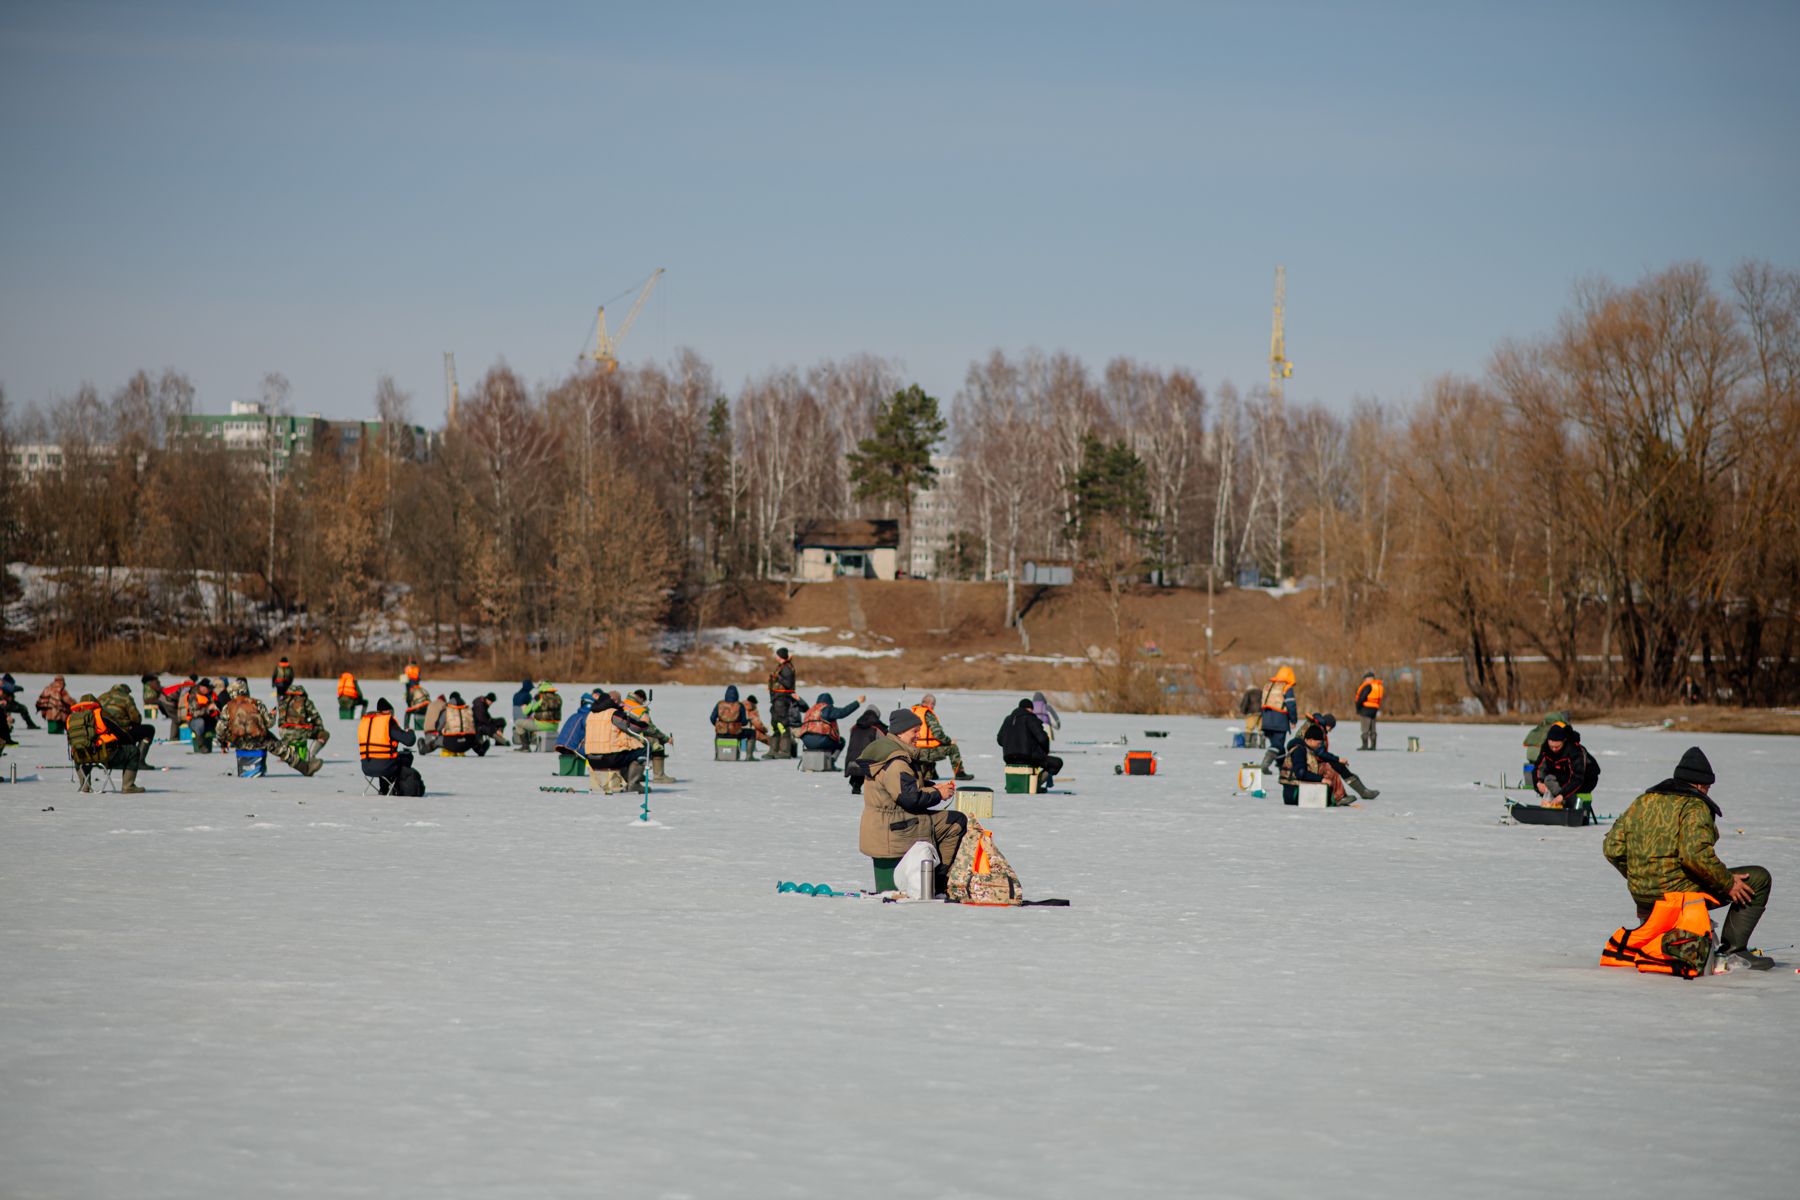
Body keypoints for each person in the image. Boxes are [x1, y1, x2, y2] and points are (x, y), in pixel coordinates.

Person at [1603, 747, 1773, 971]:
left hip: (1642, 895)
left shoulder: (1642, 801)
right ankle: (1734, 952)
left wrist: (1641, 875)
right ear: (1702, 785)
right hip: (1676, 895)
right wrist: (1728, 882)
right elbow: (1694, 855)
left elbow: (1612, 848)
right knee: (1759, 878)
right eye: (1708, 788)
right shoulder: (1694, 805)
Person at [858, 707, 966, 889]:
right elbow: (910, 799)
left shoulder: (886, 752)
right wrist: (939, 794)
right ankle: (939, 883)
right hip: (898, 827)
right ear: (900, 732)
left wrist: (933, 787)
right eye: (914, 731)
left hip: (885, 825)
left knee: (950, 820)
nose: (918, 735)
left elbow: (906, 785)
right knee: (956, 822)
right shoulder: (897, 762)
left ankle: (933, 875)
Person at [219, 679, 322, 776]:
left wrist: (224, 741)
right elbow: (268, 724)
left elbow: (220, 729)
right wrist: (272, 715)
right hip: (259, 742)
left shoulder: (227, 707)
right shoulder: (256, 703)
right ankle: (306, 768)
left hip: (239, 743)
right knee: (282, 749)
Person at [66, 692, 152, 793]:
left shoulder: (72, 719)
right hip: (105, 756)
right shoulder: (100, 715)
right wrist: (128, 742)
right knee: (133, 751)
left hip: (81, 758)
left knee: (79, 751)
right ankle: (128, 786)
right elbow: (120, 734)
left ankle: (84, 786)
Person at [1301, 713, 1379, 799]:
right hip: (1308, 760)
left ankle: (1362, 791)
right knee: (1337, 766)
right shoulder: (1319, 730)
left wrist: (1336, 759)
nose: (1330, 731)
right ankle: (1350, 794)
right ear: (1328, 725)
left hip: (1310, 757)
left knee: (1339, 765)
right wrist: (1338, 759)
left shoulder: (1314, 725)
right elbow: (1320, 753)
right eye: (1331, 728)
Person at [584, 692, 649, 790]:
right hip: (609, 758)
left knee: (625, 753)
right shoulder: (613, 713)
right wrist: (644, 722)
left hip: (591, 758)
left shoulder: (590, 714)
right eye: (620, 702)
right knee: (644, 750)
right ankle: (634, 784)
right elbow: (634, 728)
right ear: (614, 701)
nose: (622, 704)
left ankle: (624, 780)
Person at [1281, 722, 1353, 806]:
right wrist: (1321, 779)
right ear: (1310, 740)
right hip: (1294, 793)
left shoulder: (1307, 749)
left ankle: (1339, 797)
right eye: (1318, 743)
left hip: (1299, 789)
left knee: (1325, 766)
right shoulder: (1299, 750)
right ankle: (1338, 797)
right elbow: (1300, 773)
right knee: (1326, 768)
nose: (1319, 746)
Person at [998, 697, 1063, 789]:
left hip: (1009, 758)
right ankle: (1035, 784)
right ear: (1030, 709)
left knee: (1033, 761)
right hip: (1027, 757)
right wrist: (1044, 751)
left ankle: (1016, 784)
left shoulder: (1008, 719)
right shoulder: (1031, 719)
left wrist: (1010, 746)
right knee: (1057, 763)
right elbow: (1043, 739)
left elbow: (1000, 740)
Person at [358, 698, 418, 794]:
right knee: (406, 756)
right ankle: (398, 788)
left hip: (366, 767)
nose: (393, 716)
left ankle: (384, 788)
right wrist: (410, 731)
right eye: (392, 713)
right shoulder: (387, 723)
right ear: (388, 712)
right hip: (385, 766)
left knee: (382, 757)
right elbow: (409, 741)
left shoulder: (365, 723)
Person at [1534, 721, 1598, 809]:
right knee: (1548, 780)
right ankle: (1553, 803)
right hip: (1564, 775)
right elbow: (1538, 767)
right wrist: (1538, 783)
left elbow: (1578, 777)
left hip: (1586, 779)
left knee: (1561, 788)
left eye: (1557, 747)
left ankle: (1563, 804)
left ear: (1564, 741)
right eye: (1551, 746)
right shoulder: (1546, 748)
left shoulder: (1574, 750)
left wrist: (1562, 795)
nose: (1554, 749)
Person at [911, 693, 973, 781]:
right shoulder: (927, 714)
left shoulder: (914, 712)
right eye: (933, 705)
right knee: (953, 748)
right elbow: (938, 734)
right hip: (925, 751)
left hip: (914, 750)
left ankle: (929, 773)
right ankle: (959, 773)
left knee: (931, 777)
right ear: (931, 704)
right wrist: (948, 741)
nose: (933, 707)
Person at [623, 689, 675, 782]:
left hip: (621, 736)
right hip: (634, 737)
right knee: (657, 743)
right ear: (642, 699)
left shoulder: (623, 703)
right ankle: (659, 776)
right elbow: (650, 729)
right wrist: (666, 738)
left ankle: (634, 774)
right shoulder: (640, 709)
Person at [1257, 666, 1299, 773]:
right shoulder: (1286, 687)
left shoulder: (1268, 685)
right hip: (1279, 720)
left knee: (1279, 747)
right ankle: (1265, 765)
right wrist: (1293, 720)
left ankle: (1283, 768)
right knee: (1277, 745)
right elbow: (1291, 705)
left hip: (1266, 720)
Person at [799, 691, 864, 755]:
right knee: (841, 742)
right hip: (822, 740)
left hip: (806, 741)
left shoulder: (810, 710)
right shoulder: (827, 709)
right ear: (829, 702)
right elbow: (842, 712)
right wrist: (857, 702)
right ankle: (831, 761)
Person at [277, 683, 330, 760]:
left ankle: (286, 753)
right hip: (301, 732)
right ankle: (311, 755)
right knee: (325, 734)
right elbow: (316, 717)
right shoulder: (305, 701)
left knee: (290, 734)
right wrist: (319, 728)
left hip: (284, 733)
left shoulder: (283, 701)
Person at [844, 706, 887, 795]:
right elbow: (885, 742)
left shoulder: (854, 727)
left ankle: (855, 784)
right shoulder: (877, 728)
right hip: (868, 763)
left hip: (852, 762)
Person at [766, 648, 798, 758]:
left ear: (781, 656)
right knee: (775, 724)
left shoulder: (787, 668)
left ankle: (785, 751)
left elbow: (788, 684)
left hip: (782, 699)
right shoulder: (782, 667)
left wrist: (778, 677)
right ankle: (773, 750)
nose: (776, 656)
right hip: (776, 699)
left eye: (777, 655)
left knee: (783, 724)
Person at [438, 691, 488, 756]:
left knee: (438, 739)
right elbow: (475, 724)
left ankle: (446, 750)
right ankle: (479, 749)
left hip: (451, 743)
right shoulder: (468, 710)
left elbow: (438, 727)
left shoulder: (447, 710)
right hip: (467, 744)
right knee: (470, 734)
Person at [185, 677, 220, 753]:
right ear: (201, 687)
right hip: (193, 720)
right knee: (199, 723)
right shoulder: (193, 696)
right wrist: (208, 709)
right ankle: (201, 746)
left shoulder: (210, 695)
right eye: (207, 688)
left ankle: (223, 743)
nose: (209, 690)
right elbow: (194, 713)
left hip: (207, 718)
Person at [1353, 670, 1384, 751]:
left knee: (1365, 729)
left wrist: (1358, 707)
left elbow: (1362, 698)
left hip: (1365, 709)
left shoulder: (1368, 686)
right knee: (1373, 729)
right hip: (1374, 709)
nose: (1364, 680)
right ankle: (1373, 746)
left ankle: (1365, 745)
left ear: (1369, 679)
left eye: (1365, 679)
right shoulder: (1378, 686)